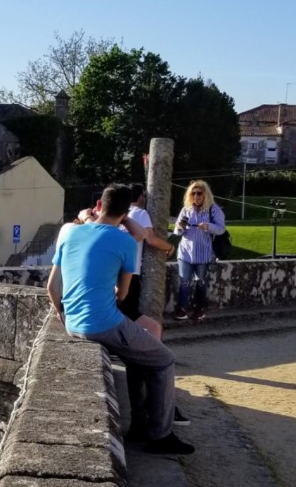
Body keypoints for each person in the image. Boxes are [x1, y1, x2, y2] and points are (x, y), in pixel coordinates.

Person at [47, 183, 194, 455]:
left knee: (138, 355)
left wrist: (61, 313)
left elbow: (52, 288)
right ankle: (160, 436)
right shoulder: (126, 242)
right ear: (126, 211)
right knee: (163, 359)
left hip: (72, 323)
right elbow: (122, 294)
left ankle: (140, 423)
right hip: (104, 323)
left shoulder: (71, 234)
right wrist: (125, 218)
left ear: (99, 205)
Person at [118, 183, 177, 333]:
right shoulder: (140, 213)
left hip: (113, 269)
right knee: (129, 313)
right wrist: (169, 247)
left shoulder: (119, 213)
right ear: (141, 197)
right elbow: (151, 239)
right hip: (131, 271)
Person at [172, 180, 225, 322]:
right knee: (184, 281)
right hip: (185, 253)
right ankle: (182, 309)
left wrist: (207, 226)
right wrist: (180, 227)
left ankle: (199, 309)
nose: (196, 196)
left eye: (199, 193)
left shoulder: (213, 209)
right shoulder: (186, 209)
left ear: (205, 194)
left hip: (203, 254)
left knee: (200, 282)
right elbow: (177, 232)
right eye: (193, 193)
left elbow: (221, 229)